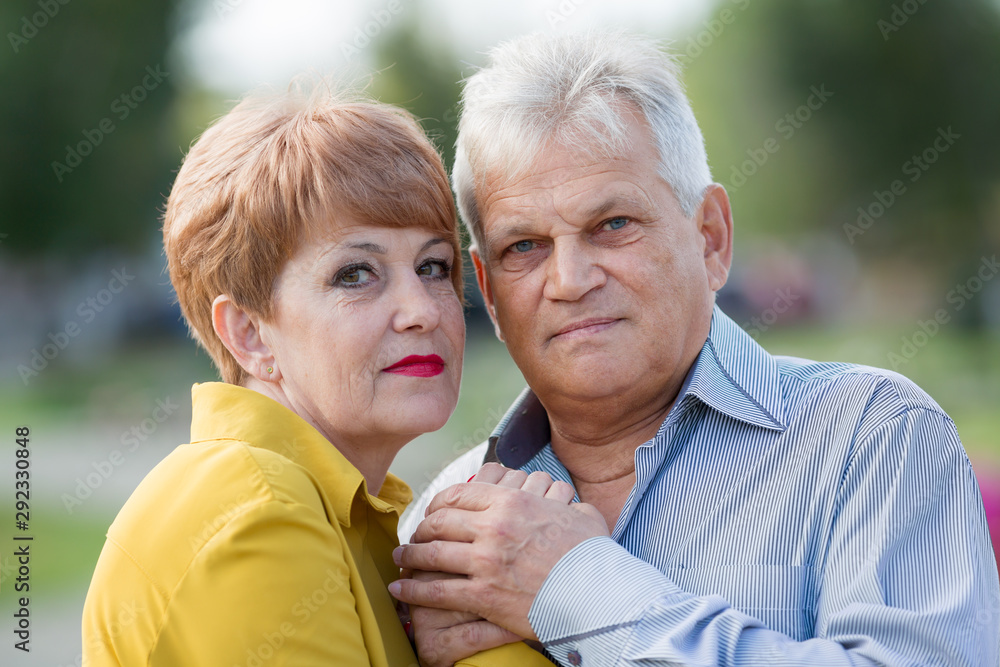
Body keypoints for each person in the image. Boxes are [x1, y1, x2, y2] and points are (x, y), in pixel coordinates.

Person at [390, 31, 1000, 666]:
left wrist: (577, 590)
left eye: (613, 225)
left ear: (710, 239)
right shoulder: (443, 523)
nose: (569, 281)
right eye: (524, 247)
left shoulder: (874, 439)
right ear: (489, 293)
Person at [81, 81, 560, 666]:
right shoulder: (257, 513)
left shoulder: (341, 513)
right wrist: (496, 631)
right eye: (355, 275)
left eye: (433, 265)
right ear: (250, 334)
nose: (422, 310)